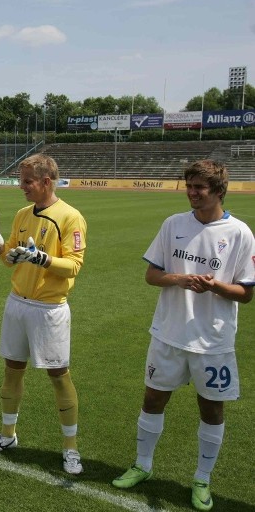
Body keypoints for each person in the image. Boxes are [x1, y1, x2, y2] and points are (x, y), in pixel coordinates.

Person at [111, 160, 253, 511]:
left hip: (212, 340)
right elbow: (152, 275)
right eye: (188, 186)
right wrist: (180, 279)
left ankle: (202, 479)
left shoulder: (239, 233)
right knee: (153, 400)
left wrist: (214, 286)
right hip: (168, 333)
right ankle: (142, 465)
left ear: (219, 191)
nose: (191, 193)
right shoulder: (173, 224)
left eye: (199, 188)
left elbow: (246, 293)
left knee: (212, 409)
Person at [0, 153, 87, 475]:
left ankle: (71, 448)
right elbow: (11, 258)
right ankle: (8, 435)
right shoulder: (22, 214)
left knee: (58, 375)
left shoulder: (70, 217)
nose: (22, 187)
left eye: (27, 182)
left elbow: (74, 265)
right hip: (17, 304)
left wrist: (43, 259)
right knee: (12, 369)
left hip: (49, 309)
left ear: (46, 182)